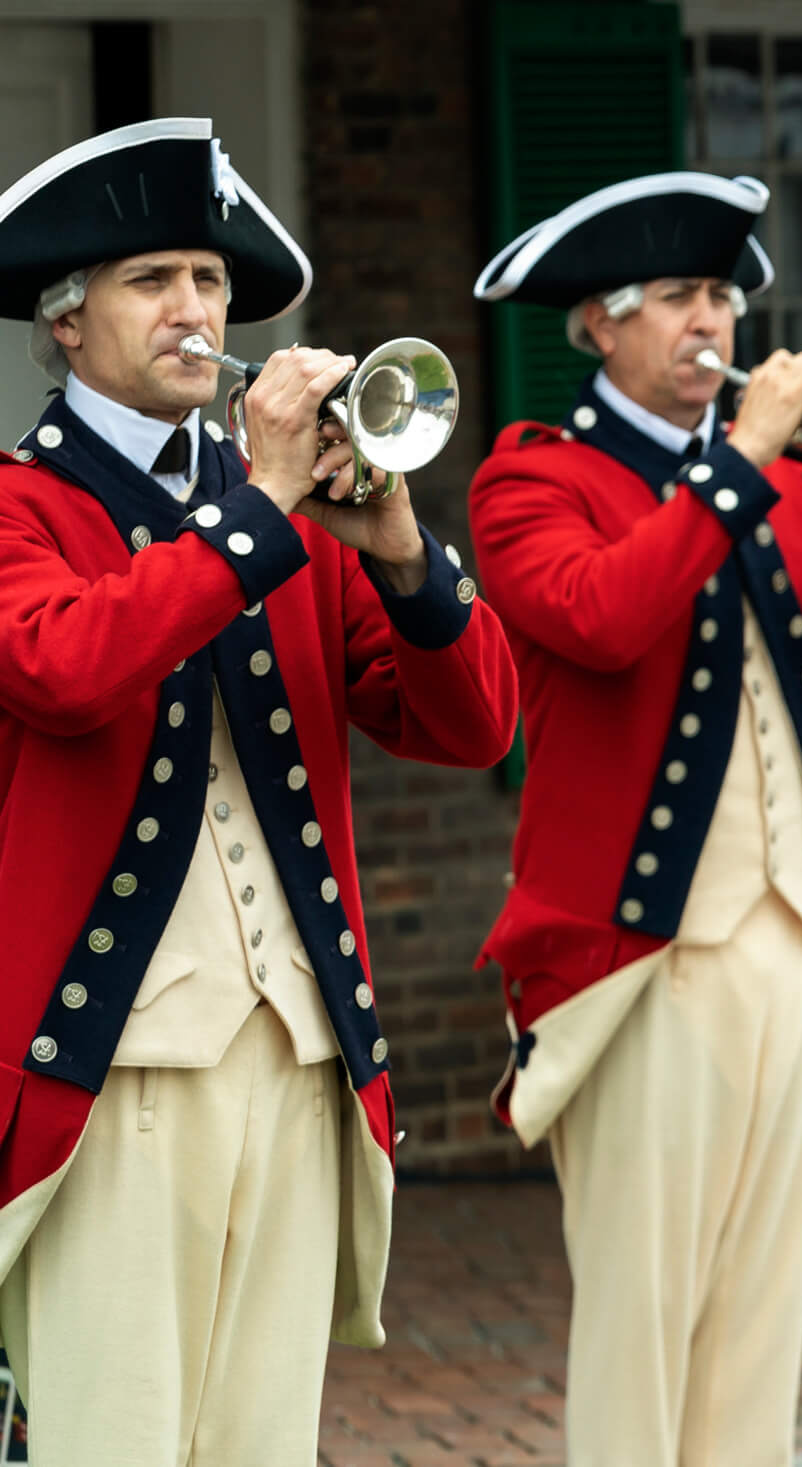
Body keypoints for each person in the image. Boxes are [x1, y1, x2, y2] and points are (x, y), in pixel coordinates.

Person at [0, 117, 517, 1462]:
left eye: (211, 280)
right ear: (67, 321)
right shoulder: (21, 506)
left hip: (299, 1053)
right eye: (152, 279)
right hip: (111, 1071)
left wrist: (401, 550)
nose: (193, 308)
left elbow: (473, 727)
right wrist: (263, 505)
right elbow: (65, 668)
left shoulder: (286, 512)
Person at [467, 172, 802, 1466]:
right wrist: (743, 459)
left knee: (758, 1314)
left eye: (723, 297)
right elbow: (601, 617)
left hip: (794, 933)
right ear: (601, 322)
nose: (713, 321)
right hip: (639, 958)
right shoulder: (534, 476)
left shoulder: (793, 488)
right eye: (681, 296)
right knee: (644, 1313)